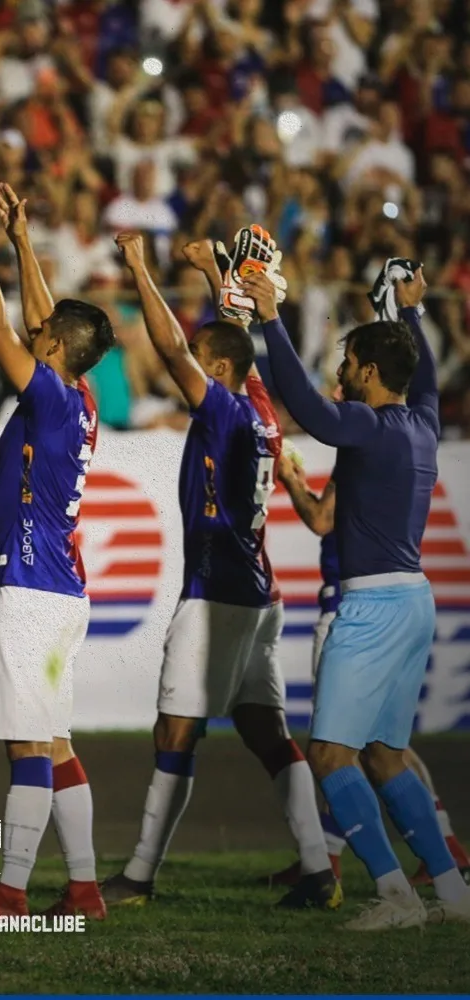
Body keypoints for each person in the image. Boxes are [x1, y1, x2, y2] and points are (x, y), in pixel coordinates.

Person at [101, 232, 340, 912]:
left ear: (220, 372)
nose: (191, 374)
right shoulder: (260, 405)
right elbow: (231, 341)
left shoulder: (225, 406)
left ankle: (140, 876)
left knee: (176, 731)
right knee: (268, 732)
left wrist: (140, 267)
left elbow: (177, 350)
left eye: (204, 366)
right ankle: (319, 869)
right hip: (261, 594)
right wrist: (212, 271)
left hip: (216, 596)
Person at [244, 266, 470, 930]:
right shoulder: (424, 422)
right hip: (414, 601)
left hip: (368, 608)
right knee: (384, 755)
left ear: (370, 371)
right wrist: (415, 313)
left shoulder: (367, 429)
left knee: (331, 754)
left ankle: (396, 895)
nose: (341, 373)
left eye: (348, 363)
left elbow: (301, 403)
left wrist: (268, 318)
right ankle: (454, 892)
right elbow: (424, 377)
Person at [0, 174, 115, 920]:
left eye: (41, 337)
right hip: (64, 589)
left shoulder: (46, 391)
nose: (31, 331)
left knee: (25, 745)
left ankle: (11, 890)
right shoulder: (80, 394)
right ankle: (83, 887)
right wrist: (20, 240)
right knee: (54, 740)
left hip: (33, 591)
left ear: (52, 352)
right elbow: (48, 321)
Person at [274, 441, 470, 889]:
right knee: (381, 747)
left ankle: (343, 864)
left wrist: (291, 481)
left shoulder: (362, 448)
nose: (340, 382)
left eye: (348, 369)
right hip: (399, 605)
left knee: (337, 747)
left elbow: (323, 519)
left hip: (354, 613)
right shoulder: (405, 447)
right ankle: (439, 853)